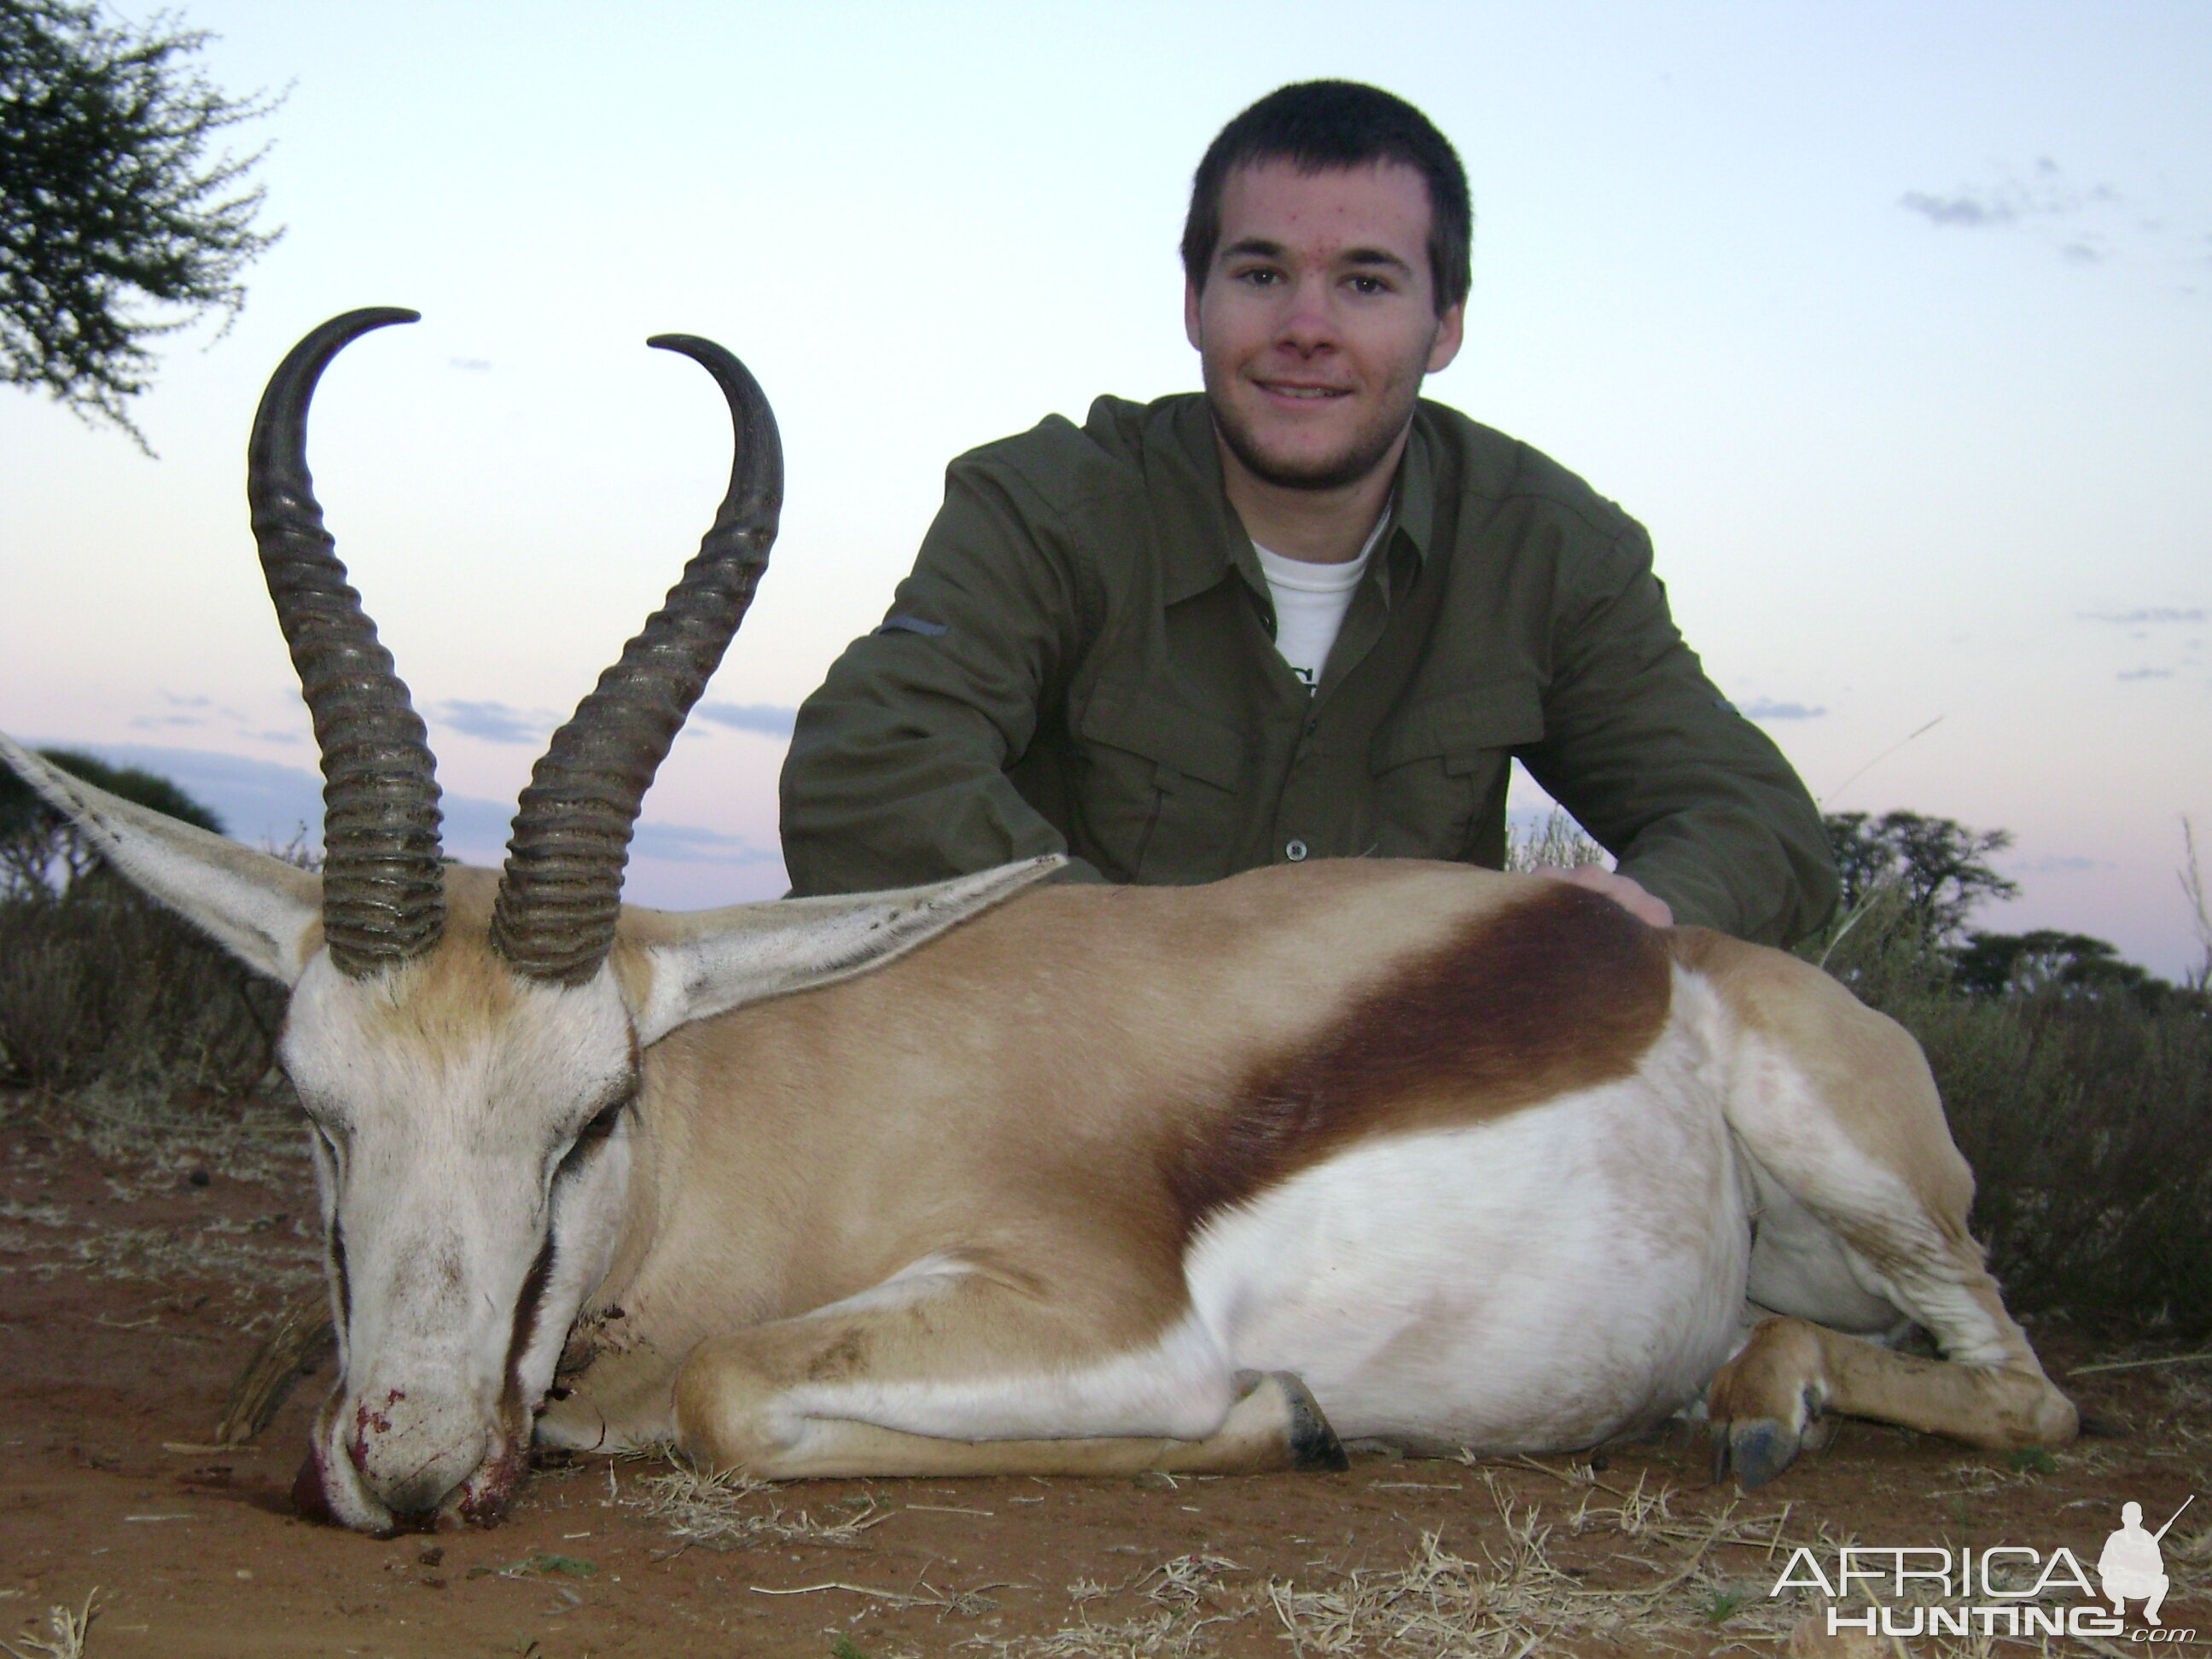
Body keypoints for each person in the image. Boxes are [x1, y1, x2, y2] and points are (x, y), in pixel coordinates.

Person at [779, 80, 1837, 943]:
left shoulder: (1552, 550)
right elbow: (868, 765)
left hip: (1381, 1114)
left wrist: (1624, 930)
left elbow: (1756, 827)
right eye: (1261, 273)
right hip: (1072, 1078)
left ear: (1447, 323)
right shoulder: (1047, 504)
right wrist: (1139, 971)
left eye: (1368, 284)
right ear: (1196, 303)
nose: (1307, 328)